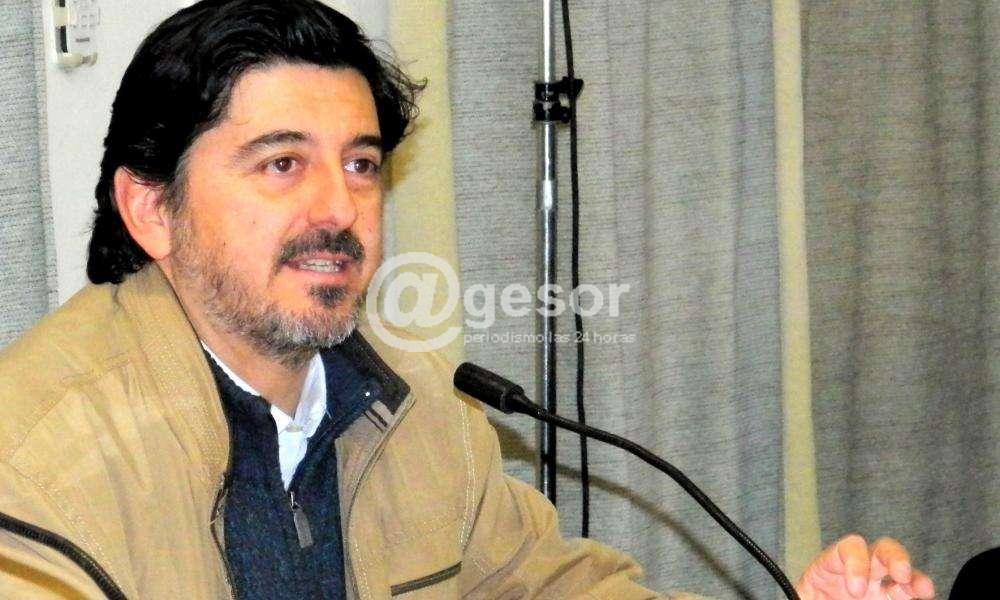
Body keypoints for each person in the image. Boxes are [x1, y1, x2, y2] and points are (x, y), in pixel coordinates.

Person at [0, 1, 935, 598]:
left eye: (360, 165)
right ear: (151, 208)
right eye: (282, 164)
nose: (339, 209)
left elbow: (554, 589)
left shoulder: (417, 407)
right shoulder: (33, 461)